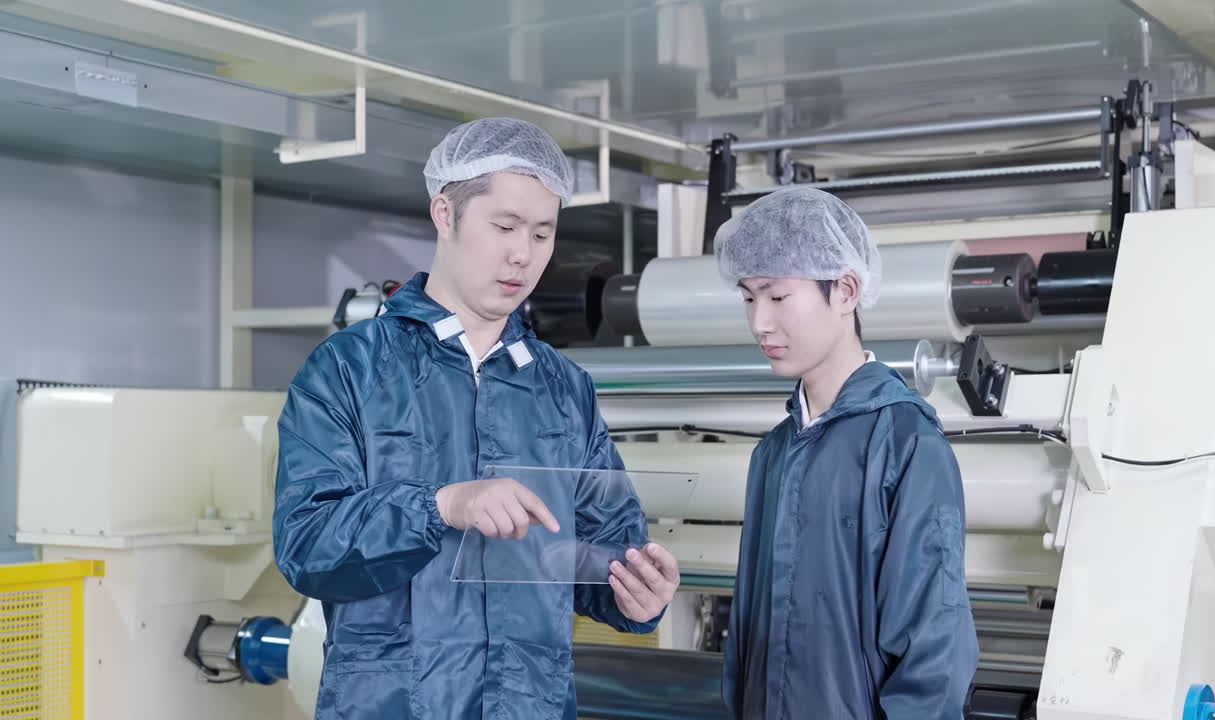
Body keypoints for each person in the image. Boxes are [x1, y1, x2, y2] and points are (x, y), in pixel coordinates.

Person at [272, 117, 680, 720]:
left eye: (543, 233)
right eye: (505, 226)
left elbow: (601, 549)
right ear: (445, 214)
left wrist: (638, 594)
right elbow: (306, 545)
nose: (524, 253)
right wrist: (439, 506)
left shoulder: (564, 389)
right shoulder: (349, 370)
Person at [715, 187, 978, 719]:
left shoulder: (907, 444)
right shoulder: (773, 454)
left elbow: (936, 651)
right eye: (749, 297)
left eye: (778, 296)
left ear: (846, 291)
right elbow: (746, 639)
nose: (759, 322)